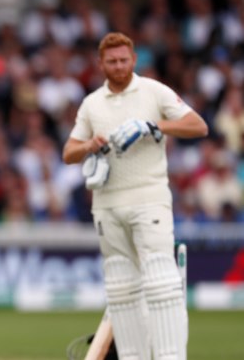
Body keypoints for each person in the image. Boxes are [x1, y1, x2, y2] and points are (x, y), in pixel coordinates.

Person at [62, 32, 208, 360]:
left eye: (124, 60)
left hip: (149, 200)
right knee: (121, 288)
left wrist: (154, 126)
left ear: (134, 59)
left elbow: (197, 126)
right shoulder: (92, 103)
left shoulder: (153, 91)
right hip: (108, 206)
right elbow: (68, 152)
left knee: (160, 281)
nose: (118, 66)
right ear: (101, 63)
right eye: (111, 61)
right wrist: (89, 145)